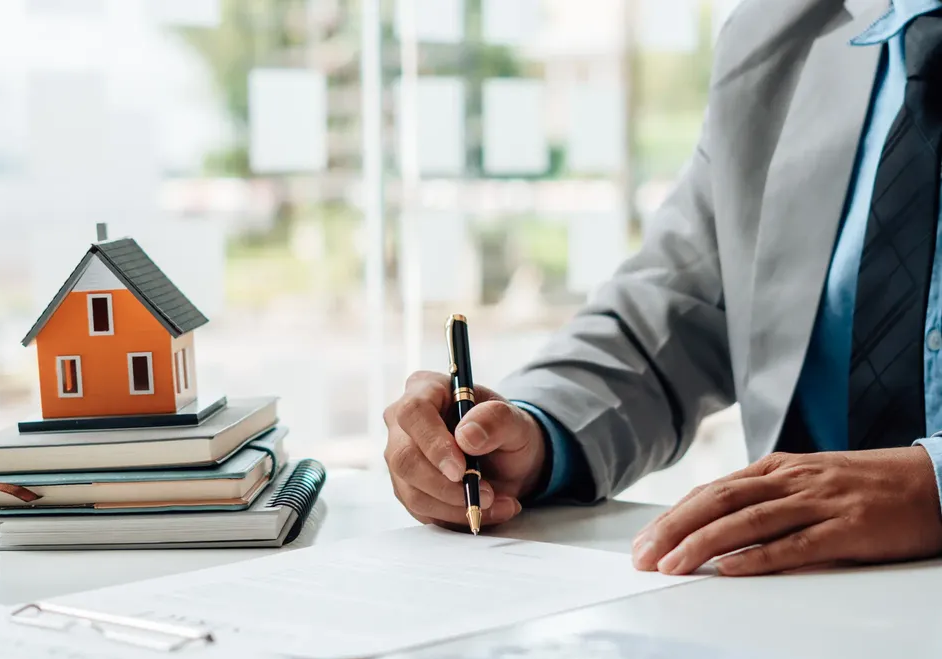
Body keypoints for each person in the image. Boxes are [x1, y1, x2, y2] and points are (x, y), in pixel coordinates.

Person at [383, 0, 942, 576]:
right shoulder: (780, 33)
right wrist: (528, 433)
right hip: (800, 601)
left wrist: (933, 488)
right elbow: (669, 318)